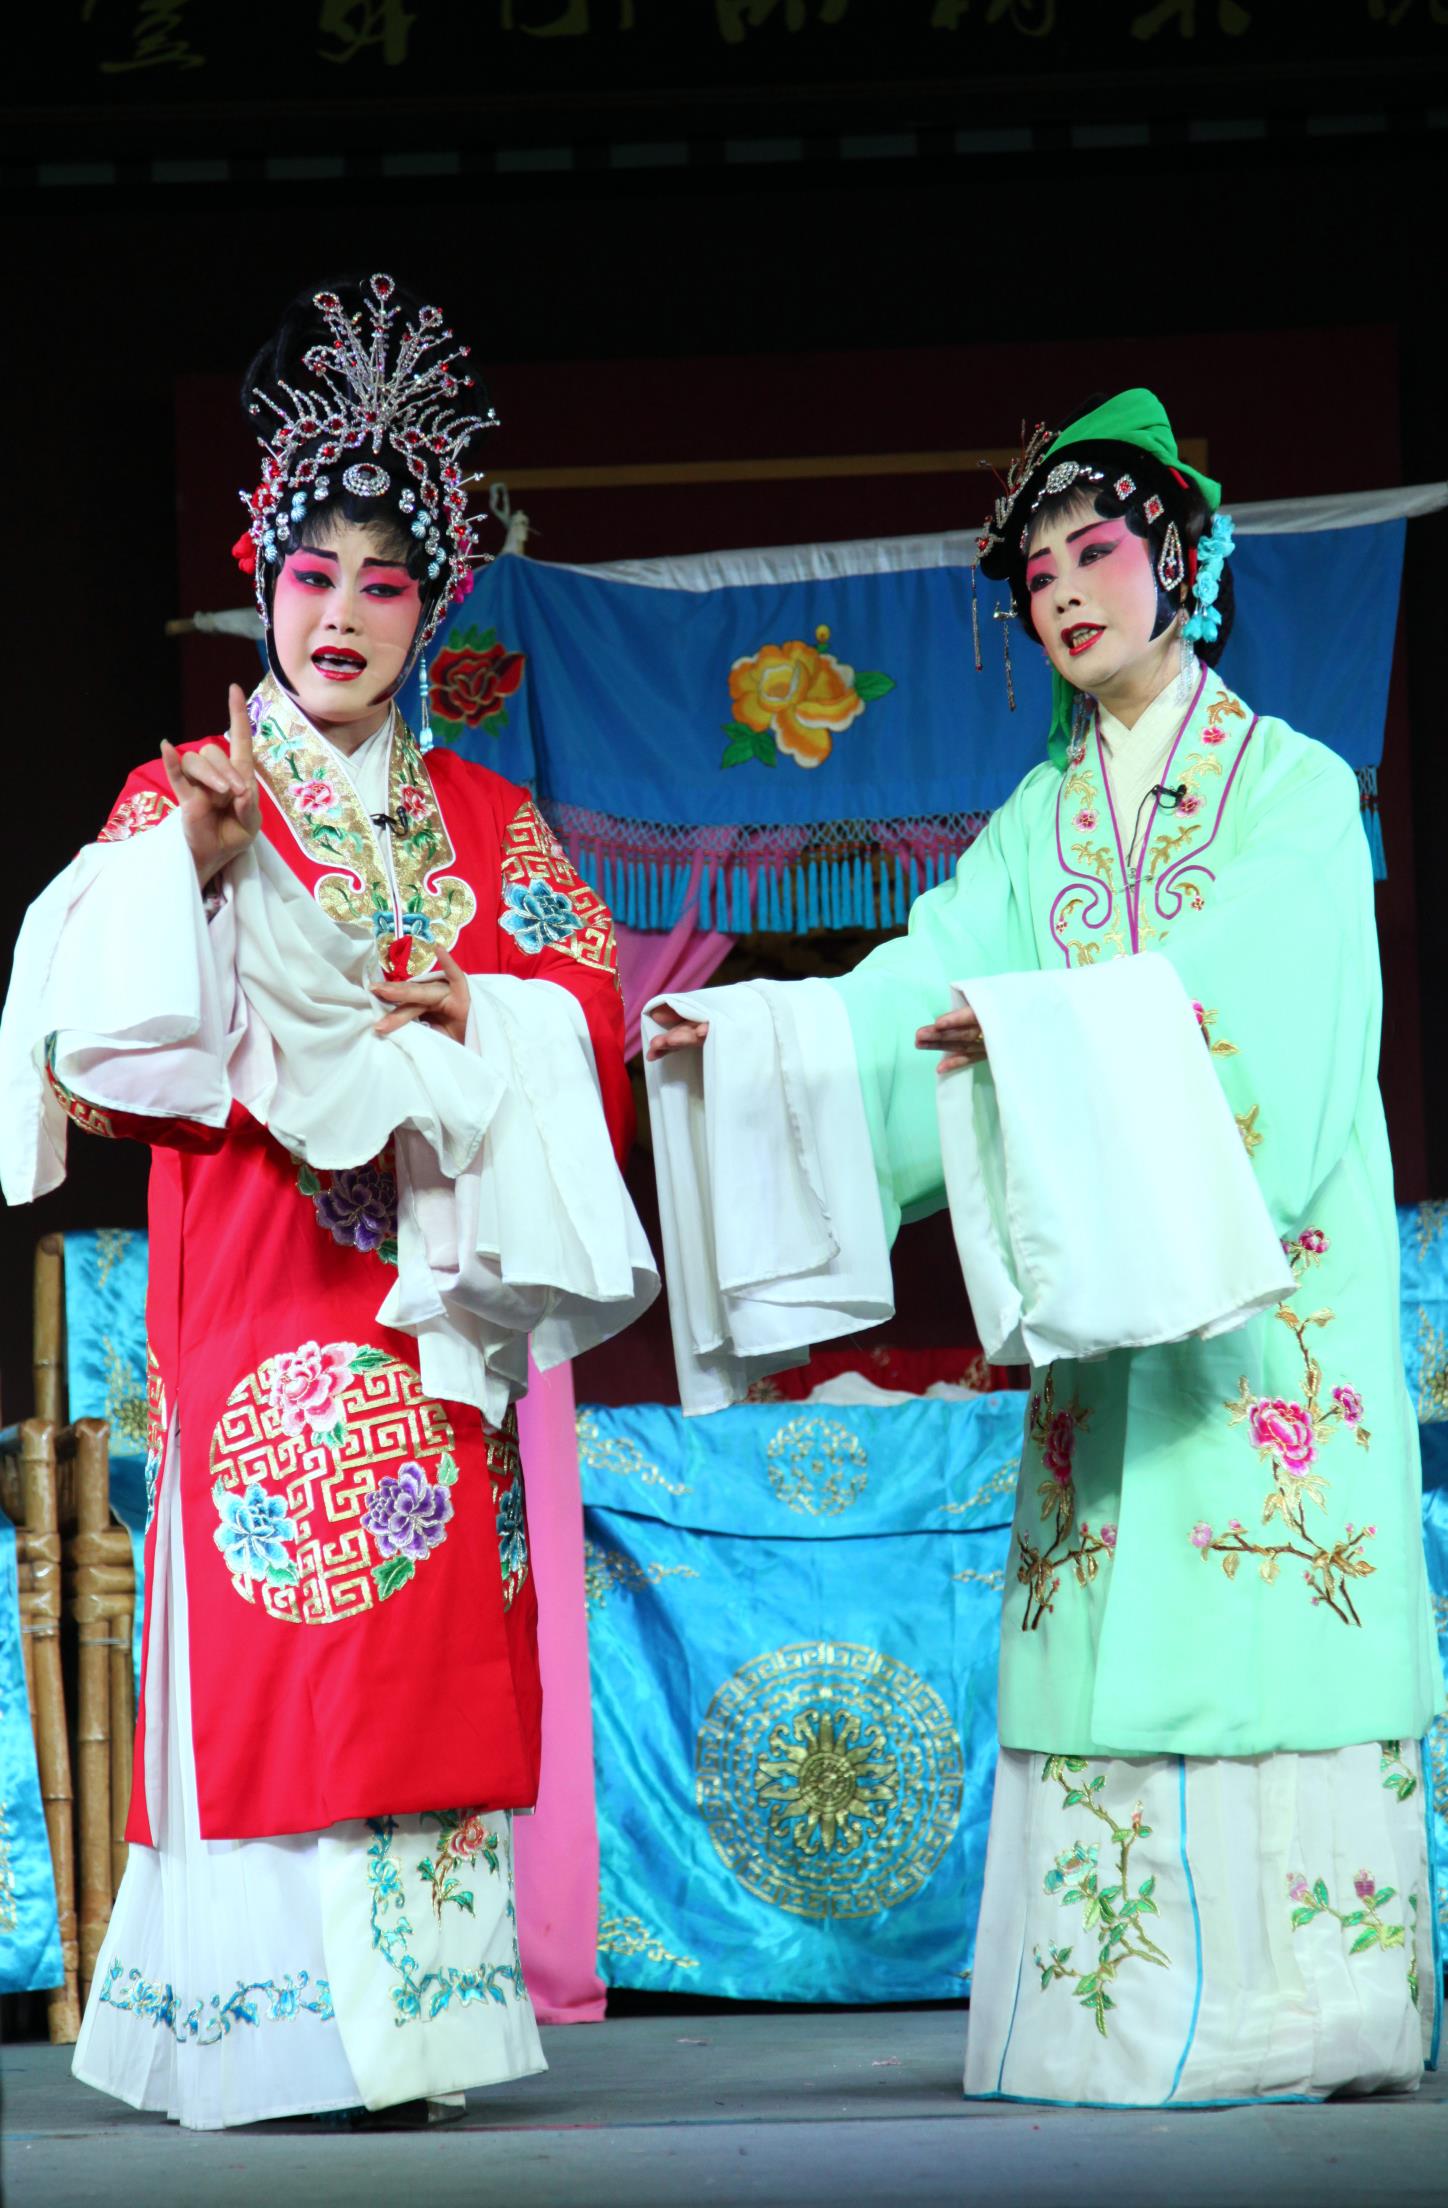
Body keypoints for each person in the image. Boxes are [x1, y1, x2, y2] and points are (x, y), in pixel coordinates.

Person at [645, 389, 1441, 2105]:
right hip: (1108, 1330)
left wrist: (1039, 1034)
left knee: (1267, 1609)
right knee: (1113, 1619)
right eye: (1038, 574)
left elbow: (1274, 1019)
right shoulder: (1039, 825)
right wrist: (780, 1037)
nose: (1066, 591)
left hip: (1270, 1313)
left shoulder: (1294, 791)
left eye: (1097, 552)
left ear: (1182, 562)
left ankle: (1317, 2022)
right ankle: (1112, 2018)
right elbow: (926, 979)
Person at [0, 273, 653, 2129]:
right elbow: (91, 1049)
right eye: (312, 575)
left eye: (384, 582)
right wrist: (198, 882)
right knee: (282, 1619)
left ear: (431, 609)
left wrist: (489, 1012)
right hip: (259, 1286)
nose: (343, 614)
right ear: (262, 589)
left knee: (422, 1636)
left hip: (424, 1316)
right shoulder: (186, 794)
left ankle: (419, 2031)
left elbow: (591, 1015)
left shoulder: (489, 820)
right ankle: (276, 2026)